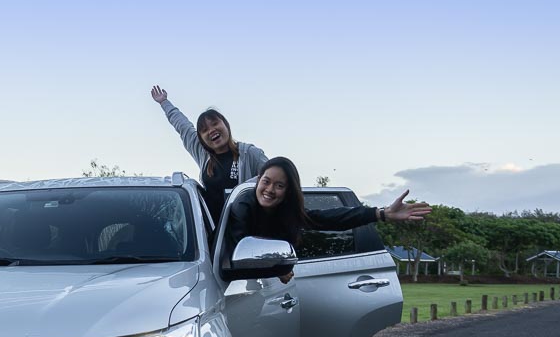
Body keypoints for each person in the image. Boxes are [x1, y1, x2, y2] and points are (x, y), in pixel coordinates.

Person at [226, 157, 431, 282]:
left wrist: (382, 213)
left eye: (279, 185)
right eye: (266, 181)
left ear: (288, 191)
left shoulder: (285, 212)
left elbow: (329, 218)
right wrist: (275, 270)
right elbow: (241, 252)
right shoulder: (243, 206)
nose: (270, 190)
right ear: (258, 180)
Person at [150, 85, 268, 225]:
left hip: (244, 232)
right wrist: (164, 102)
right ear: (200, 138)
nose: (211, 130)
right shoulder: (203, 154)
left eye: (215, 123)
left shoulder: (250, 153)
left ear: (226, 124)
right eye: (204, 130)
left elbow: (274, 179)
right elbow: (183, 127)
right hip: (212, 235)